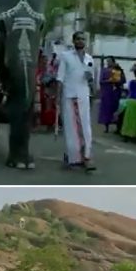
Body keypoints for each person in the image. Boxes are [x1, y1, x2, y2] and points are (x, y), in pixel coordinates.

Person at [56, 31, 96, 171]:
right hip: (69, 96)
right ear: (73, 41)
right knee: (72, 128)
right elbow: (60, 78)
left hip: (84, 96)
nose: (80, 41)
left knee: (86, 128)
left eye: (83, 39)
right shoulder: (66, 56)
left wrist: (91, 82)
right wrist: (57, 98)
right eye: (78, 39)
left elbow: (91, 80)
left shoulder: (89, 59)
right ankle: (72, 157)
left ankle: (86, 156)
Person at [98, 56, 125, 133]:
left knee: (116, 109)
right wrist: (109, 81)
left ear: (113, 62)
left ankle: (118, 127)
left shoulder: (117, 70)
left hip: (115, 92)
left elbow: (121, 81)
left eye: (110, 61)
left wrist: (117, 79)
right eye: (107, 61)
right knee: (106, 110)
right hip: (107, 92)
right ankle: (106, 127)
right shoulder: (104, 70)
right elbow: (101, 81)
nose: (108, 63)